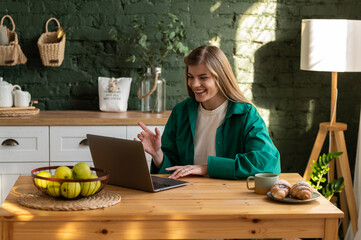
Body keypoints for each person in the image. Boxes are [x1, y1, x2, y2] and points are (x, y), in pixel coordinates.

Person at [135, 45, 281, 180]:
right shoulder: (181, 112)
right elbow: (170, 169)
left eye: (203, 77)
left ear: (221, 78)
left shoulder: (246, 114)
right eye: (190, 77)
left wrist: (206, 168)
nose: (194, 84)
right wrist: (157, 154)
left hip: (231, 197)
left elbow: (267, 163)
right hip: (186, 197)